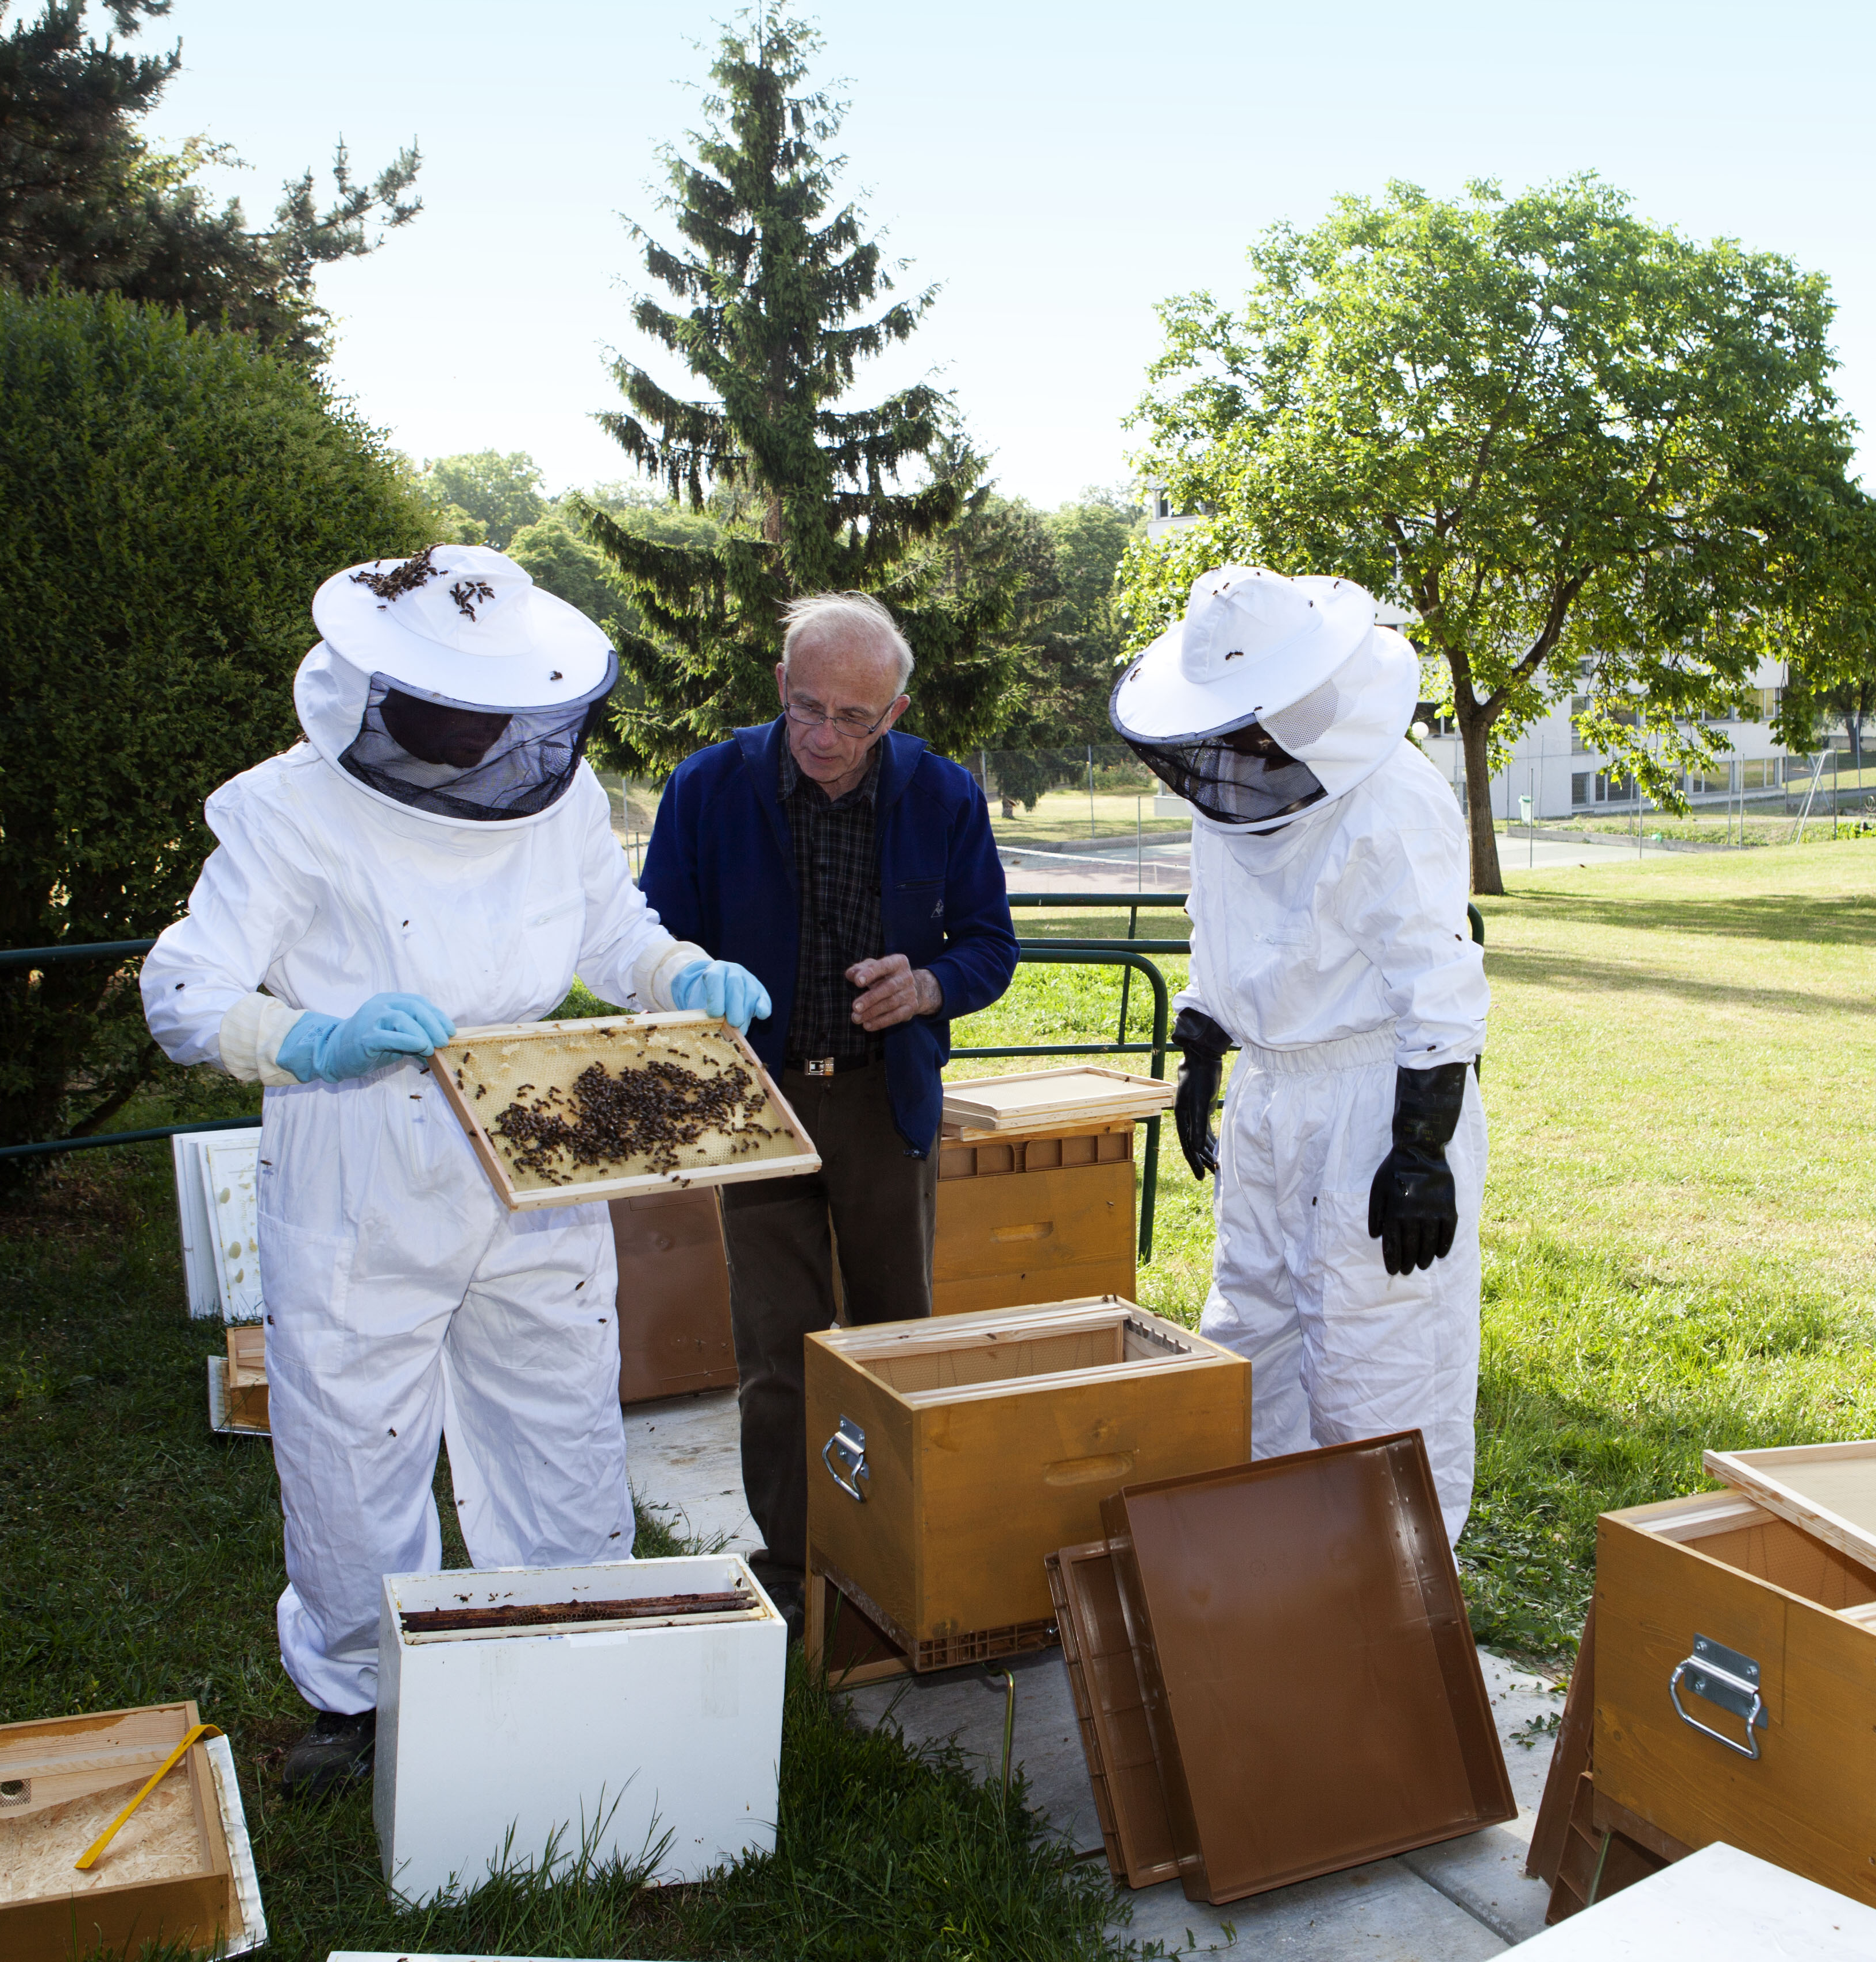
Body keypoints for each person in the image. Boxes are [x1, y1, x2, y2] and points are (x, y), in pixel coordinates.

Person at [141, 543, 771, 1794]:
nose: (486, 738)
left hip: (536, 1134)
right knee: (351, 1436)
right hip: (359, 1152)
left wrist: (676, 975)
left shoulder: (564, 800)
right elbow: (182, 988)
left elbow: (616, 931)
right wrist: (306, 1038)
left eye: (505, 716)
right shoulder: (282, 809)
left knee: (561, 1413)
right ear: (377, 692)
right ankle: (359, 1695)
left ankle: (566, 1645)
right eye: (456, 712)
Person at [638, 591, 1018, 1625]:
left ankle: (899, 1545)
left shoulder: (942, 796)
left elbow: (990, 943)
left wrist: (931, 987)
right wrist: (687, 985)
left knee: (899, 1335)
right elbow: (643, 943)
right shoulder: (708, 788)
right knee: (777, 1345)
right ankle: (799, 1562)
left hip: (879, 1102)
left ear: (894, 711)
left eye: (853, 719)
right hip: (755, 1103)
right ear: (780, 687)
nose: (823, 736)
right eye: (807, 707)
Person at [1108, 565, 1490, 1536]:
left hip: (1378, 1100)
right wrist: (1202, 1047)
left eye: (1246, 723)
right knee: (1253, 1337)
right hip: (1274, 1098)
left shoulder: (1391, 798)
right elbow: (1218, 931)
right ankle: (1271, 1587)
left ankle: (1390, 1606)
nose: (1227, 753)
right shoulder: (1233, 789)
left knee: (1378, 1357)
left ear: (1301, 700)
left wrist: (1420, 1152)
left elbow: (1438, 986)